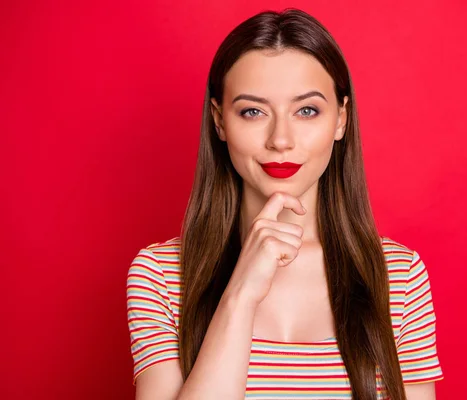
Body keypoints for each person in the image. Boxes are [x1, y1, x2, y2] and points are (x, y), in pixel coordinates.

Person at [126, 8, 443, 400]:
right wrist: (240, 295)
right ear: (220, 121)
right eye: (253, 111)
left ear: (341, 119)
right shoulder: (160, 276)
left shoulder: (399, 277)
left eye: (306, 110)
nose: (280, 139)